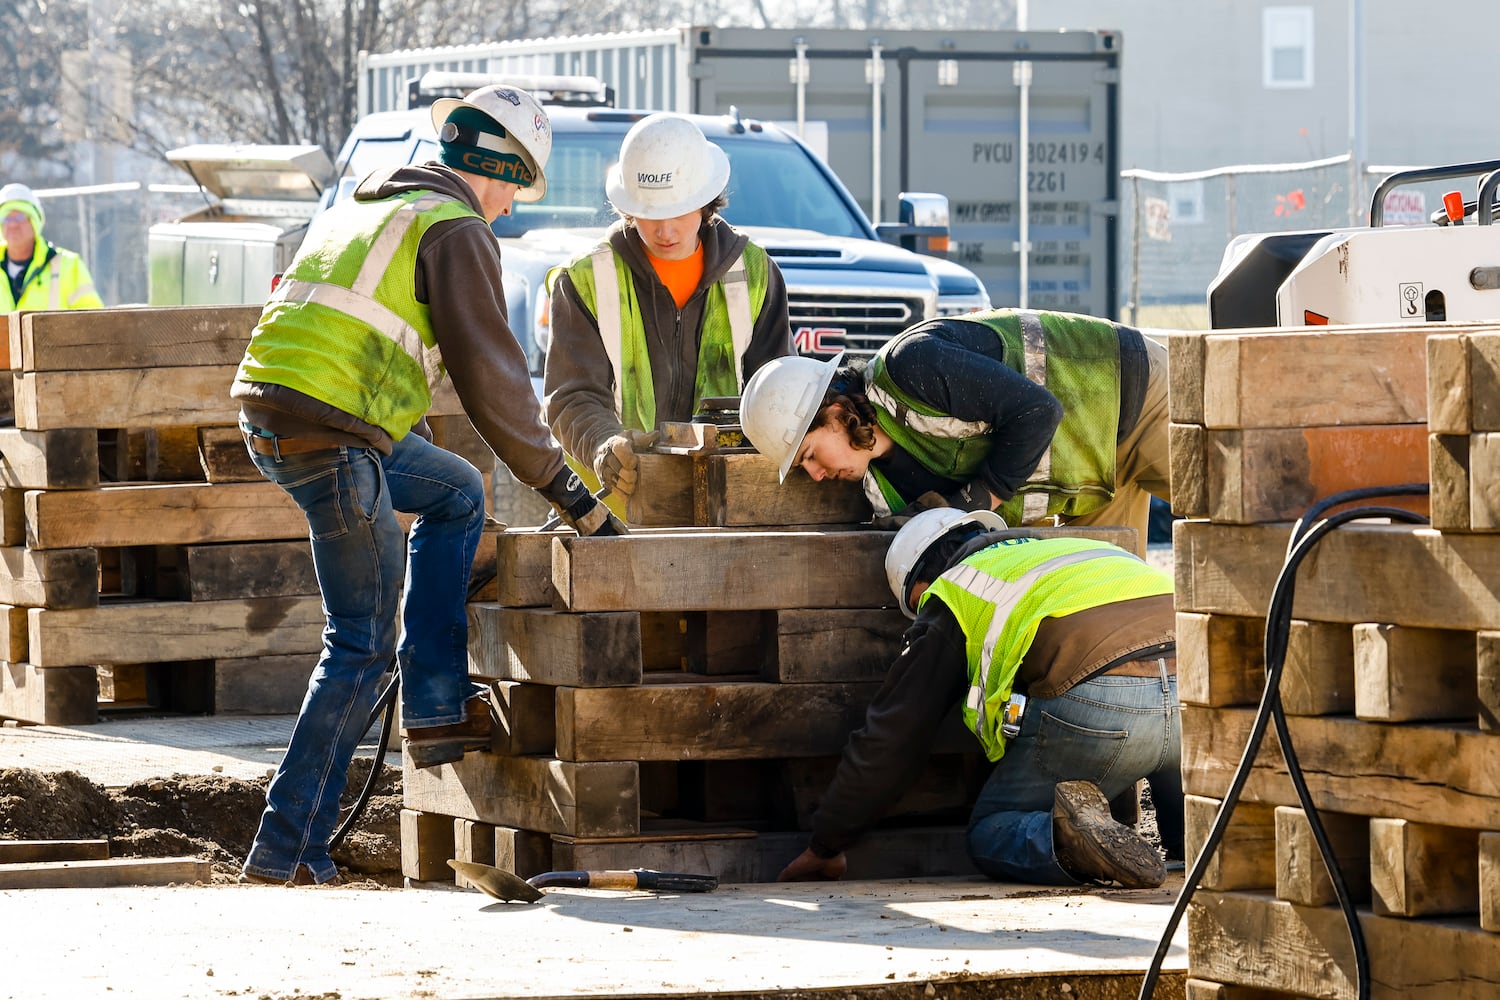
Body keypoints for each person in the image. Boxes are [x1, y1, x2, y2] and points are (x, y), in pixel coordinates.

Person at [231, 84, 624, 887]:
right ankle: (285, 850)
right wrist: (571, 494)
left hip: (293, 420)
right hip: (333, 440)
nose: (511, 207)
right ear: (494, 166)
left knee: (454, 490)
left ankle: (438, 702)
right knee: (359, 645)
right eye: (516, 185)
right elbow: (496, 384)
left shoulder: (368, 208)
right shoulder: (456, 229)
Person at [777, 508, 1182, 888]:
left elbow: (894, 735)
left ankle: (1064, 837)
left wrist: (826, 844)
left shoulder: (956, 587)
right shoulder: (1088, 553)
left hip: (1105, 709)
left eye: (919, 606)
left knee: (993, 830)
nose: (924, 615)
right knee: (1192, 810)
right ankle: (1198, 835)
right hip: (1193, 693)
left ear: (923, 580)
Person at [739, 308, 1169, 556]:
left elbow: (1037, 411)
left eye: (809, 455)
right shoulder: (885, 489)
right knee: (1116, 601)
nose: (814, 474)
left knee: (1230, 523)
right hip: (1089, 472)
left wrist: (975, 501)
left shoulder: (912, 366)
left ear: (834, 411)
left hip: (1127, 393)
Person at [544, 111, 793, 513]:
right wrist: (604, 445)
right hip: (619, 510)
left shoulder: (755, 274)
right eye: (651, 215)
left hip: (730, 507)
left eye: (678, 212)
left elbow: (779, 393)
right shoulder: (586, 280)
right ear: (628, 207)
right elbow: (571, 397)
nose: (665, 231)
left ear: (706, 201)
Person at [1, 183, 104, 313]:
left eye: (21, 217)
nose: (13, 225)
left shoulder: (69, 266)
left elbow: (93, 319)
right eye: (7, 218)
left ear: (35, 222)